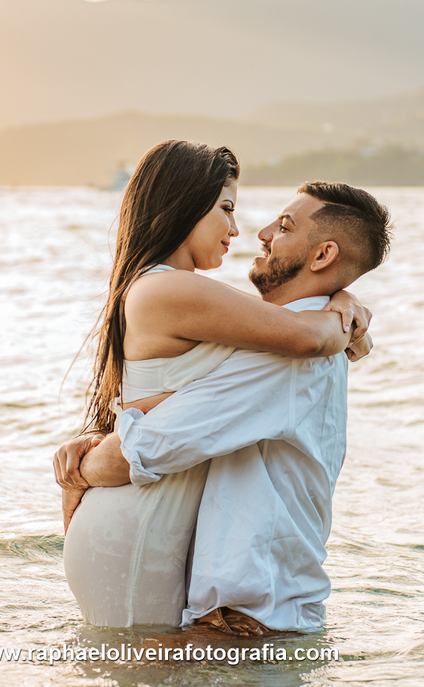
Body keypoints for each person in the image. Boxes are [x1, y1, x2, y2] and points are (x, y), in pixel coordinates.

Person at [57, 140, 371, 628]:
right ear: (185, 203)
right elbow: (308, 335)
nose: (238, 228)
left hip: (143, 516)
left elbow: (282, 325)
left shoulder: (179, 291)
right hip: (136, 524)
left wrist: (345, 296)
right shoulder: (171, 289)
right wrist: (343, 309)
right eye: (226, 208)